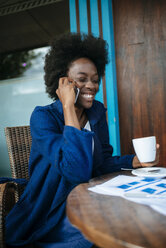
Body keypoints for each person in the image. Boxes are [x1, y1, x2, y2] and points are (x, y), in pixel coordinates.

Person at [5, 33, 159, 248]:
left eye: (95, 80)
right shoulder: (43, 117)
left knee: (139, 215)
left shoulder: (96, 111)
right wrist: (68, 106)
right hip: (52, 209)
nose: (92, 86)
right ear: (63, 82)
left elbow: (101, 162)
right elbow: (75, 170)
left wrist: (135, 161)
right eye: (82, 79)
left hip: (88, 196)